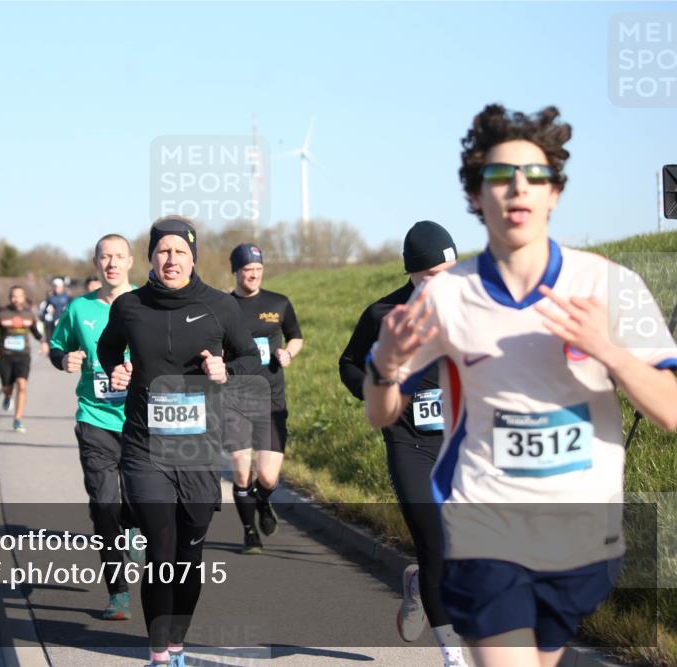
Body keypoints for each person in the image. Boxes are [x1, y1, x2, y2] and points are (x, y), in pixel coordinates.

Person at [363, 104, 677, 667]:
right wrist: (385, 365)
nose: (517, 189)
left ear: (554, 192)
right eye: (498, 177)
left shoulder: (609, 284)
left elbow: (671, 411)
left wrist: (609, 350)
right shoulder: (445, 297)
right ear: (476, 196)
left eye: (534, 175)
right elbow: (381, 412)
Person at [98, 216, 260, 667]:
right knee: (160, 544)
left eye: (180, 251)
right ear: (151, 256)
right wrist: (116, 367)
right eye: (163, 250)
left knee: (189, 549)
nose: (171, 259)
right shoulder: (129, 307)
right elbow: (109, 348)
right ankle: (158, 654)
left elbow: (250, 359)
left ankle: (178, 645)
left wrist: (225, 371)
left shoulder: (220, 307)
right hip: (144, 444)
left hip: (199, 447)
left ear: (194, 257)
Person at [339, 221, 466, 667]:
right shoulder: (382, 314)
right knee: (434, 546)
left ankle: (417, 586)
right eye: (432, 276)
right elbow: (349, 364)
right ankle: (453, 653)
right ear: (412, 273)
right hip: (409, 444)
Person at [48, 233, 141, 621]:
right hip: (94, 420)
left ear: (131, 262)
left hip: (141, 421)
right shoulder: (78, 308)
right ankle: (118, 593)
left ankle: (135, 524)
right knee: (104, 506)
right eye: (106, 257)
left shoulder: (146, 304)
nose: (112, 263)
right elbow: (57, 346)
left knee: (138, 503)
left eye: (119, 256)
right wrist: (62, 359)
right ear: (96, 263)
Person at [224, 243, 303, 555]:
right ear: (236, 271)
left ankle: (264, 502)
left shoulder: (278, 303)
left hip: (271, 398)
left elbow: (295, 335)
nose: (253, 275)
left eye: (258, 270)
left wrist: (288, 353)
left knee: (268, 476)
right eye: (247, 270)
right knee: (242, 471)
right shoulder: (223, 306)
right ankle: (249, 533)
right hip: (234, 398)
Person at [0, 285, 48, 432]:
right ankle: (7, 396)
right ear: (10, 297)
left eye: (19, 296)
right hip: (5, 356)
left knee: (22, 385)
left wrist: (43, 342)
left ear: (23, 297)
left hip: (23, 356)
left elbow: (34, 331)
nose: (16, 299)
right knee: (7, 387)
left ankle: (18, 419)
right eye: (13, 296)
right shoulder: (2, 313)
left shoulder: (29, 313)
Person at [40, 276, 72, 342]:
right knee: (51, 342)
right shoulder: (49, 298)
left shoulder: (67, 297)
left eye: (58, 287)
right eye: (55, 286)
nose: (56, 288)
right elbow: (43, 311)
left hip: (63, 324)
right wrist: (46, 315)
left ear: (62, 287)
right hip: (51, 324)